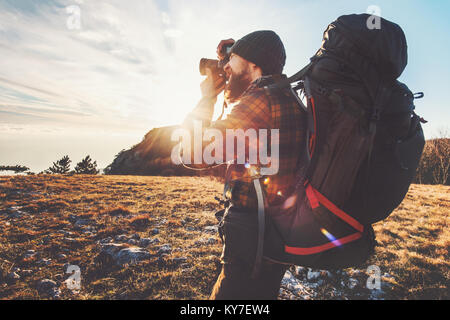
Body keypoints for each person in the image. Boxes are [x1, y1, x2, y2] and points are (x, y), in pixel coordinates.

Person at [182, 30, 306, 300]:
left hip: (251, 236)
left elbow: (193, 153)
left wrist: (206, 99)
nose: (225, 67)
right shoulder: (289, 98)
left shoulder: (260, 100)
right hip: (277, 231)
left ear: (253, 65)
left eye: (233, 60)